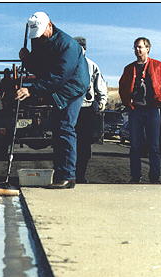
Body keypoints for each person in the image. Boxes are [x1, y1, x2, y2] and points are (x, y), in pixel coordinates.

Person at [16, 12, 90, 189]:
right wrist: (27, 59)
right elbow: (40, 67)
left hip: (73, 87)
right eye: (36, 35)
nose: (38, 37)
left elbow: (59, 75)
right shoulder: (38, 39)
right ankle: (60, 172)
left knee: (65, 127)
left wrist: (32, 90)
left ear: (50, 25)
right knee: (57, 130)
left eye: (41, 33)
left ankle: (68, 177)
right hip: (57, 87)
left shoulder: (68, 45)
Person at [119, 37, 161, 183]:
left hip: (152, 110)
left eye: (140, 47)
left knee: (154, 145)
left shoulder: (158, 66)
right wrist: (127, 102)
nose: (137, 50)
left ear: (147, 48)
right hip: (136, 111)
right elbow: (122, 87)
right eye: (135, 47)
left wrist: (160, 100)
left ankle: (155, 177)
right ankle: (135, 177)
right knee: (135, 145)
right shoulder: (129, 68)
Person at [74, 36, 107, 183]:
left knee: (84, 145)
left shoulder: (92, 65)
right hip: (71, 110)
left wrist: (101, 104)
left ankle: (80, 175)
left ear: (85, 49)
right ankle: (68, 174)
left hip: (87, 109)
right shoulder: (67, 65)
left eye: (81, 48)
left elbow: (101, 87)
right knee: (68, 144)